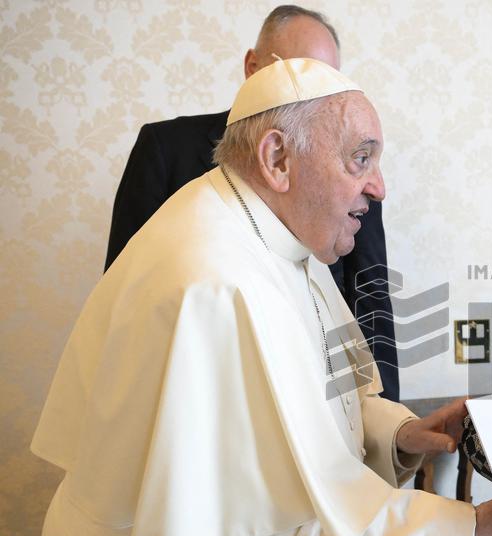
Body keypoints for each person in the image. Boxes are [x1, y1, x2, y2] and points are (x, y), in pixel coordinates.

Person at [27, 58, 492, 536]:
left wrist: (397, 432)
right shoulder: (216, 279)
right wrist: (477, 527)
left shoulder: (271, 235)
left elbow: (316, 395)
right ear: (277, 159)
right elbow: (282, 526)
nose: (380, 186)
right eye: (361, 159)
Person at [105, 4, 401, 401]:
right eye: (295, 71)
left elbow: (369, 294)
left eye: (324, 78)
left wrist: (390, 426)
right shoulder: (166, 149)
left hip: (318, 387)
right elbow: (126, 294)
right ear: (252, 66)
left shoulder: (354, 176)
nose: (310, 91)